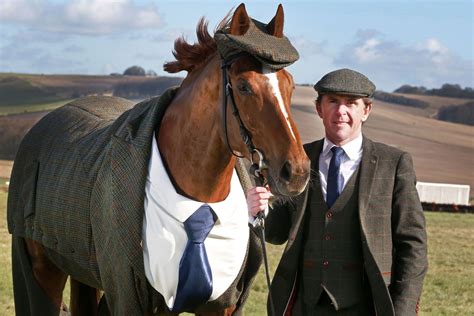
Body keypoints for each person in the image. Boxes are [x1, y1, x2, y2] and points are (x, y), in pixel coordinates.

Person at [247, 68, 428, 315]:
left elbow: (413, 245)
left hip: (369, 305)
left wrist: (403, 309)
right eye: (332, 101)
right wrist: (260, 210)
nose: (341, 111)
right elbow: (278, 233)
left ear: (366, 110)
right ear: (319, 108)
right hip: (304, 305)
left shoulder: (394, 164)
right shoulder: (299, 160)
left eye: (351, 103)